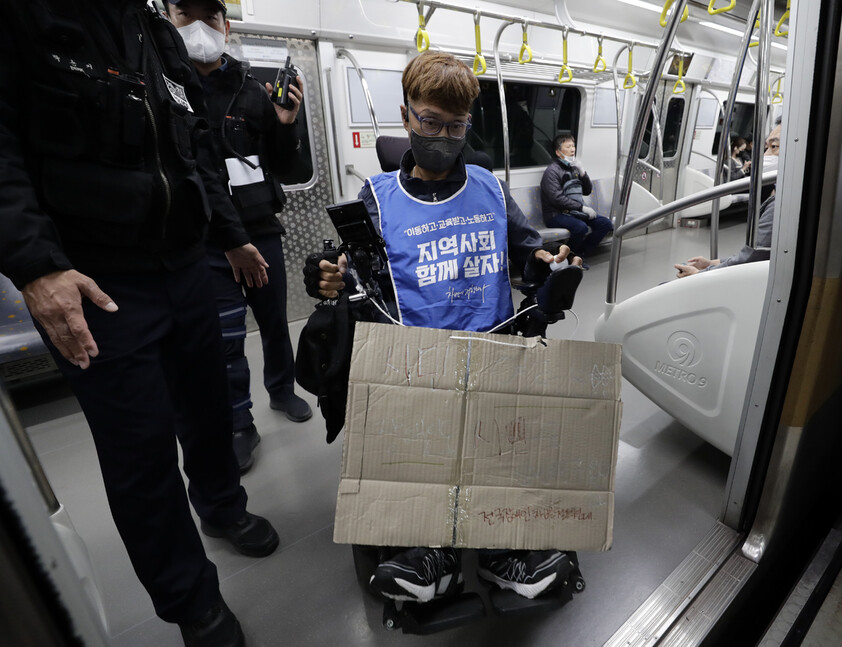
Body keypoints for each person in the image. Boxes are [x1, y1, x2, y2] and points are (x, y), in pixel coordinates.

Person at [0, 2, 278, 645]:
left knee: (209, 412)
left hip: (185, 263)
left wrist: (230, 236)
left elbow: (199, 152)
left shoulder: (154, 33)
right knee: (140, 454)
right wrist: (37, 267)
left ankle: (223, 508)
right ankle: (192, 601)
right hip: (97, 279)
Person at [310, 51, 583, 604]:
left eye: (456, 126)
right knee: (425, 449)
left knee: (497, 446)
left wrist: (549, 262)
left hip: (492, 347)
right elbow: (359, 279)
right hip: (417, 357)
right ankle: (432, 552)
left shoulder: (485, 185)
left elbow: (524, 248)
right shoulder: (378, 199)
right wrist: (329, 282)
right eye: (431, 122)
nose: (442, 135)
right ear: (407, 115)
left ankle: (505, 551)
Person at [166, 0, 312, 475]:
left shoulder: (253, 92)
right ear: (168, 21)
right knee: (226, 339)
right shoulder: (167, 86)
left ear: (226, 26)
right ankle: (239, 422)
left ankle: (282, 389)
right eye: (185, 16)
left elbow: (286, 168)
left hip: (261, 229)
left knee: (273, 323)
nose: (200, 28)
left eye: (210, 18)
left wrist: (288, 125)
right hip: (207, 243)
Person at [675, 121, 783, 278]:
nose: (765, 155)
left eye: (774, 147)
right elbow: (749, 255)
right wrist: (713, 263)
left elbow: (751, 259)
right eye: (766, 147)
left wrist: (701, 274)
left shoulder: (779, 205)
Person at [540, 135, 613, 268]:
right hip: (556, 214)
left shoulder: (574, 168)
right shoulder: (552, 172)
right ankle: (571, 257)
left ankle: (579, 253)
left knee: (605, 224)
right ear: (558, 152)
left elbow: (587, 190)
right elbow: (556, 199)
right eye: (568, 147)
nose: (572, 149)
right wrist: (581, 208)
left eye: (573, 146)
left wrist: (583, 173)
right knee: (580, 227)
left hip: (574, 211)